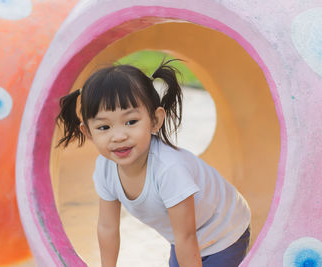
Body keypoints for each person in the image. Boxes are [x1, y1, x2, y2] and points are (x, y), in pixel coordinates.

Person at [56, 60, 251, 267]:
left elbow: (187, 237)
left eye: (131, 122)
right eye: (104, 127)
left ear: (155, 120)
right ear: (88, 133)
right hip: (183, 237)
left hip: (225, 231)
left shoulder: (169, 170)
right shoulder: (105, 168)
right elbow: (107, 227)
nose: (119, 136)